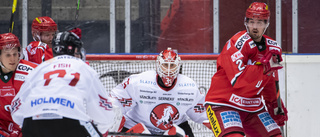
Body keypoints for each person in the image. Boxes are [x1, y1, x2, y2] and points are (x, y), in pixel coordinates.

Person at [11, 31, 122, 137]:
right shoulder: (83, 68)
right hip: (69, 121)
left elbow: (16, 107)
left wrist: (32, 122)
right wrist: (102, 129)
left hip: (32, 123)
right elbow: (103, 111)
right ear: (74, 50)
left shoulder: (39, 68)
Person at [204, 2, 288, 137]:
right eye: (252, 22)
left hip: (253, 107)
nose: (255, 27)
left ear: (267, 23)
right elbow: (238, 80)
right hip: (222, 103)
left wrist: (275, 105)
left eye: (260, 22)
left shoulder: (273, 48)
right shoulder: (236, 43)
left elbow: (270, 81)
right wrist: (265, 68)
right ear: (246, 22)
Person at [111, 47, 208, 137]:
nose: (169, 70)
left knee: (179, 132)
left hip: (174, 128)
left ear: (178, 66)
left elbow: (203, 114)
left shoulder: (189, 87)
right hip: (136, 124)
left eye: (172, 65)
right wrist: (112, 121)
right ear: (158, 65)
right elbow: (115, 103)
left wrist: (220, 129)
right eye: (165, 65)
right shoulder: (139, 82)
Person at [0, 33, 37, 137]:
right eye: (7, 55)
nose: (13, 59)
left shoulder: (31, 72)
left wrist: (17, 130)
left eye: (15, 54)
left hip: (27, 129)